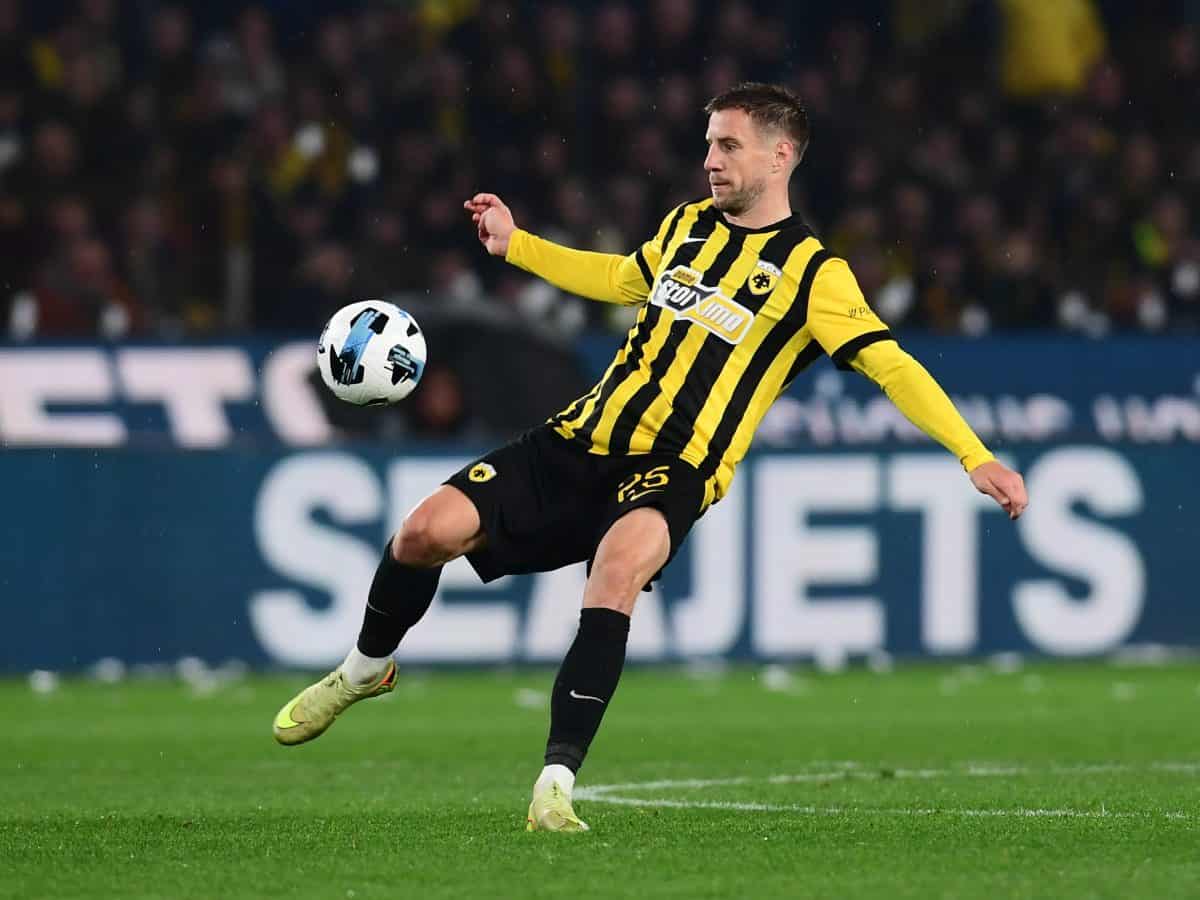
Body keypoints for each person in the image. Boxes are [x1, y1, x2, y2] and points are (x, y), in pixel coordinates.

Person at [271, 83, 1028, 832]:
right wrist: (516, 244)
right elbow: (619, 278)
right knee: (421, 534)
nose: (711, 160)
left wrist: (974, 455)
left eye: (728, 145)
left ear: (780, 155)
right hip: (579, 439)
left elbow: (890, 365)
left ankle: (554, 785)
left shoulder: (812, 273)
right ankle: (365, 670)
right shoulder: (686, 226)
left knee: (617, 572)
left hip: (675, 468)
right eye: (708, 144)